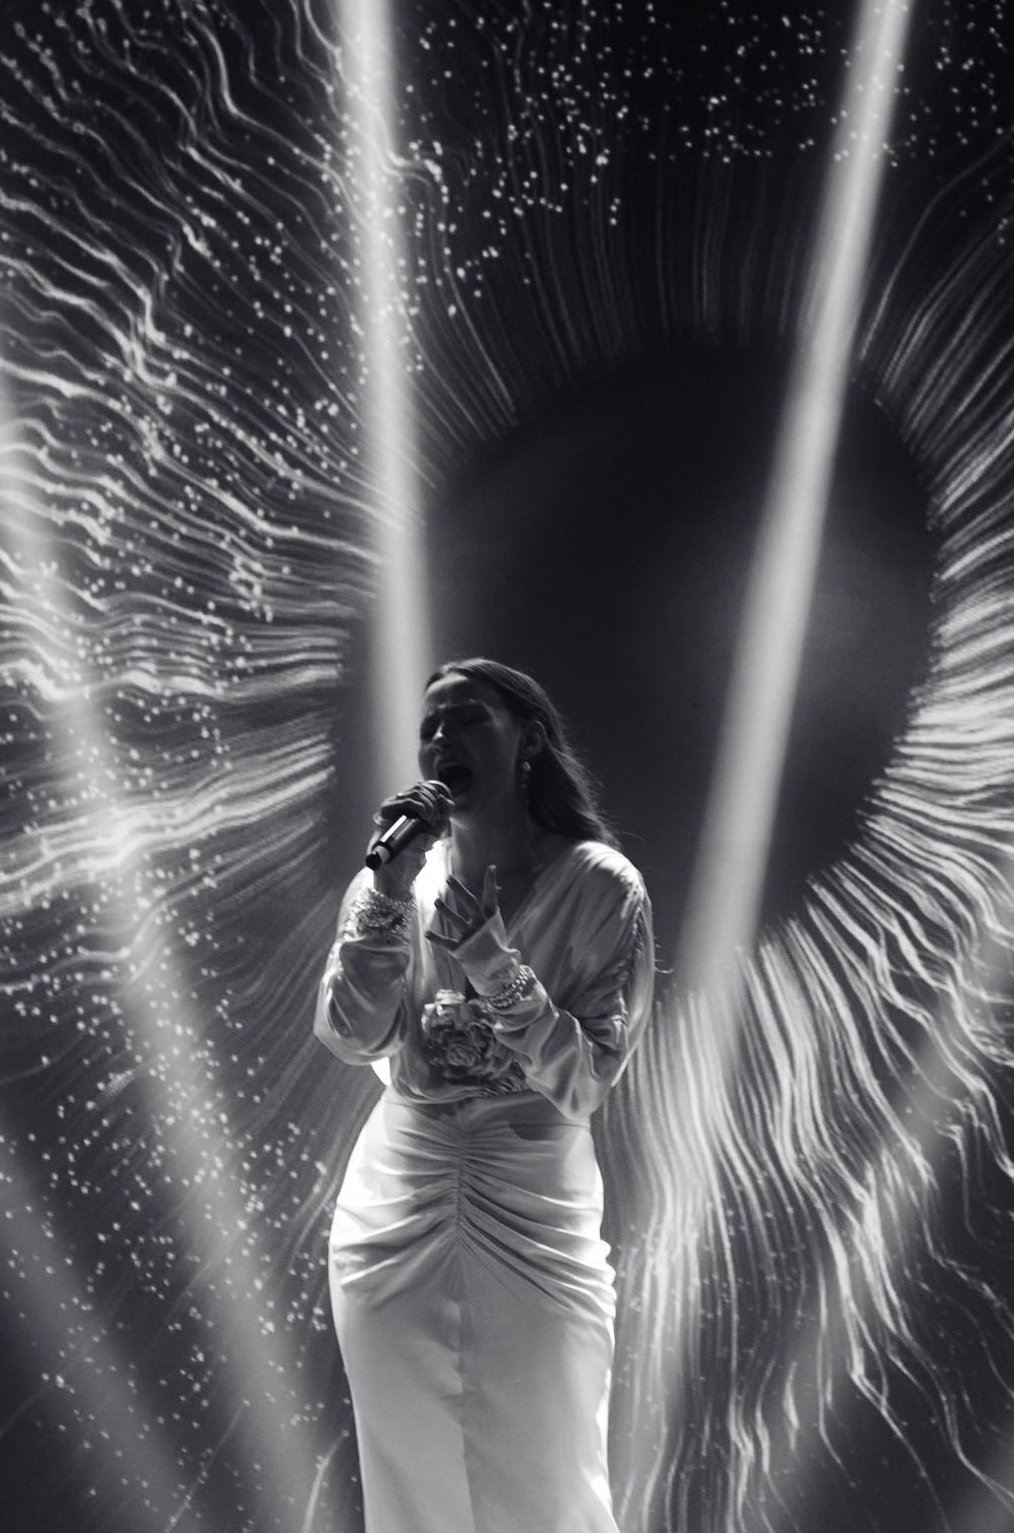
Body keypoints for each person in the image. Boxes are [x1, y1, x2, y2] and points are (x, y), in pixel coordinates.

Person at [315, 657, 655, 1533]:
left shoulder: (601, 886)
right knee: (410, 1473)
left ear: (528, 740)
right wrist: (386, 900)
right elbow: (352, 1035)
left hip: (531, 1194)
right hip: (399, 1200)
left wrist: (489, 961)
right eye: (429, 726)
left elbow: (583, 1081)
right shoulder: (394, 880)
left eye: (465, 720)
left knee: (545, 1470)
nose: (439, 741)